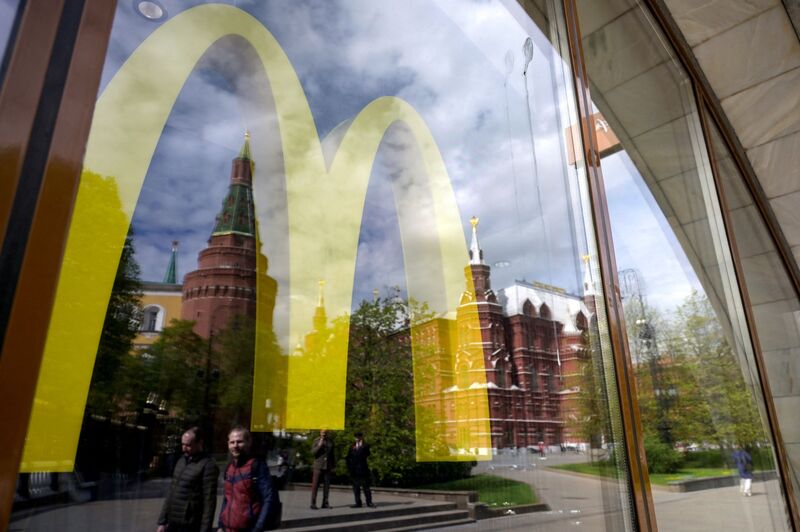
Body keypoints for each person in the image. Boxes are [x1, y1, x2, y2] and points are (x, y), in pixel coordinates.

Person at [157, 427, 219, 532]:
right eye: (183, 444)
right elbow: (172, 492)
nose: (184, 448)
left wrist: (205, 529)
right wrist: (162, 521)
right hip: (172, 522)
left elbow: (209, 501)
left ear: (200, 443)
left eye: (188, 445)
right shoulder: (181, 461)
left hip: (190, 524)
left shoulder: (208, 465)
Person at [219, 427, 280, 532]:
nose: (235, 446)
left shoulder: (257, 466)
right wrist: (220, 525)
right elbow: (226, 499)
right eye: (232, 442)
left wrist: (258, 528)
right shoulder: (229, 467)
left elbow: (269, 499)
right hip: (227, 528)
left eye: (239, 442)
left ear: (249, 442)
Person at [346, 432, 374, 508]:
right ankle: (358, 503)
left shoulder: (365, 445)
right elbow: (348, 457)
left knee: (366, 487)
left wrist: (360, 446)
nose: (357, 438)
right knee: (356, 488)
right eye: (356, 437)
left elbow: (367, 454)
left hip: (363, 469)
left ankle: (369, 502)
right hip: (354, 470)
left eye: (358, 437)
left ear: (361, 437)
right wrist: (349, 467)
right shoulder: (352, 446)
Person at [310, 429, 335, 509]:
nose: (324, 434)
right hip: (318, 466)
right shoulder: (316, 440)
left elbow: (332, 454)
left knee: (326, 486)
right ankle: (313, 503)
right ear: (320, 433)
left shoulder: (330, 441)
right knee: (315, 485)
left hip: (327, 467)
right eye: (322, 433)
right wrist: (319, 445)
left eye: (325, 433)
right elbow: (313, 453)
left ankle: (325, 503)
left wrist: (333, 465)